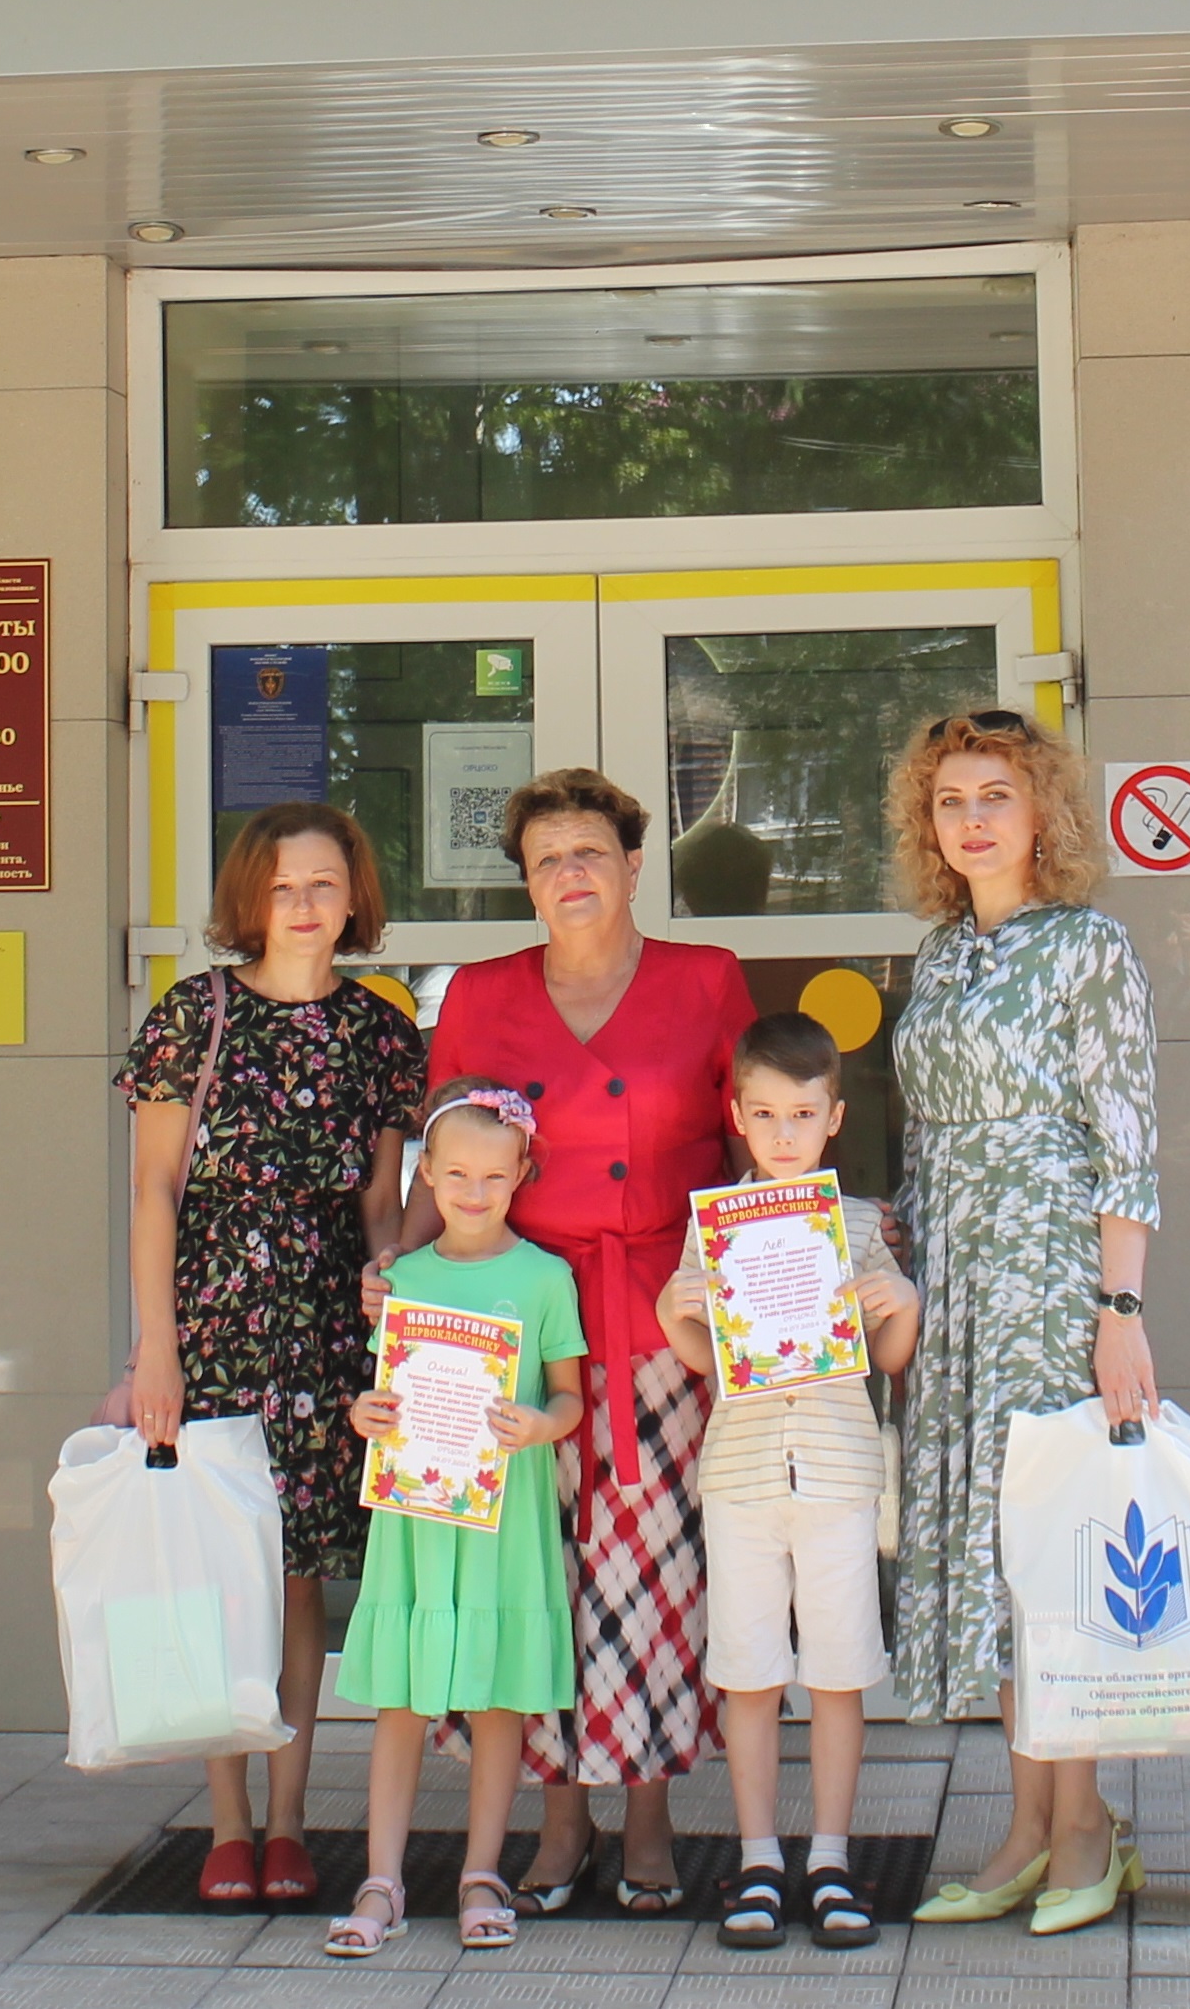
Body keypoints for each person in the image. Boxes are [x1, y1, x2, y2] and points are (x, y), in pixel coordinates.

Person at [414, 767, 749, 1913]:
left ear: (633, 864)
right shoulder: (480, 992)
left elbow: (754, 1148)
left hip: (663, 1320)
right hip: (518, 1324)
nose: (570, 873)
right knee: (538, 1573)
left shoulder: (705, 978)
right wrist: (399, 1275)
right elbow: (444, 1152)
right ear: (524, 878)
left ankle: (648, 1814)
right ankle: (559, 1818)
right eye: (547, 857)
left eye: (590, 852)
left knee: (654, 1575)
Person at [882, 708, 1165, 1939]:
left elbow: (1127, 1140)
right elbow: (926, 1135)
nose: (973, 818)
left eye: (994, 793)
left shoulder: (1088, 945)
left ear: (1041, 809)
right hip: (954, 1286)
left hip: (1049, 1285)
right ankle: (1026, 1824)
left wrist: (1120, 1310)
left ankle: (1086, 1824)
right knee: (995, 1559)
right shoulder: (940, 953)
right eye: (950, 800)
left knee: (1052, 1548)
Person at [121, 802, 420, 1909]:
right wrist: (157, 1349)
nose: (303, 903)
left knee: (297, 1581)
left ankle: (289, 1821)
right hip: (211, 1329)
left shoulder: (380, 1031)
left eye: (324, 883)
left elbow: (380, 1206)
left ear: (354, 899)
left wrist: (396, 1296)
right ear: (251, 896)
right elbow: (154, 1190)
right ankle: (227, 1822)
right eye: (284, 884)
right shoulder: (192, 1015)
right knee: (220, 1576)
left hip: (327, 1334)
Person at [658, 1010, 923, 1951]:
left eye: (802, 1115)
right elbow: (706, 1360)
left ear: (834, 1119)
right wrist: (675, 1311)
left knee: (839, 1672)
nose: (782, 1134)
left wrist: (904, 1303)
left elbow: (888, 1356)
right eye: (764, 1114)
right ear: (737, 1115)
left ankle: (832, 1857)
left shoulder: (856, 1226)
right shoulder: (715, 1228)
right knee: (750, 1671)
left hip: (840, 1474)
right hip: (741, 1475)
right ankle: (761, 1856)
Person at [325, 1083, 588, 1961]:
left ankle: (482, 1873)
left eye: (495, 1177)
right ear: (427, 1176)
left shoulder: (544, 1278)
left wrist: (543, 1426)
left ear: (523, 1175)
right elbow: (386, 1394)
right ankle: (381, 1880)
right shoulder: (402, 1281)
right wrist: (365, 1414)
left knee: (499, 1693)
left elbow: (569, 1397)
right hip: (417, 1522)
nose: (475, 1192)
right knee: (403, 1697)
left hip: (504, 1523)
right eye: (458, 1175)